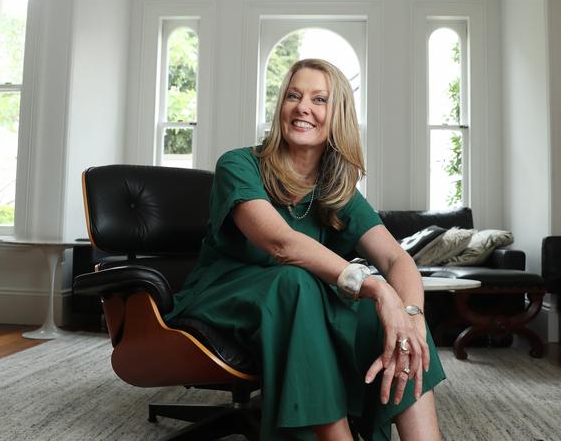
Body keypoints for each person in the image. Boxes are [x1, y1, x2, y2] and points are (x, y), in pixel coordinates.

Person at [165, 58, 445, 440]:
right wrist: (377, 288)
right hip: (222, 299)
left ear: (338, 116)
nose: (303, 108)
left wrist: (410, 315)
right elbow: (281, 244)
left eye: (319, 99)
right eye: (293, 96)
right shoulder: (239, 164)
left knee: (401, 322)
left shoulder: (336, 190)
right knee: (295, 282)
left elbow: (396, 258)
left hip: (301, 301)